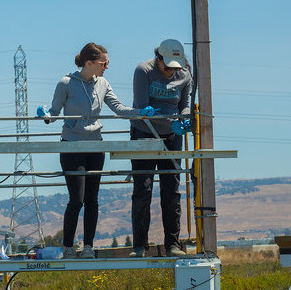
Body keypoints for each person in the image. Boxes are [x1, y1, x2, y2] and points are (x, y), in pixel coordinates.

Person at [38, 43, 149, 259]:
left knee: (92, 199)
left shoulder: (103, 83)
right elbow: (54, 112)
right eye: (104, 63)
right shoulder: (66, 83)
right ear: (89, 63)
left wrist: (139, 113)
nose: (107, 66)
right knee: (76, 199)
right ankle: (68, 247)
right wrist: (45, 114)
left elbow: (118, 108)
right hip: (72, 145)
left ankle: (88, 246)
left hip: (95, 146)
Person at [129, 39, 193, 257]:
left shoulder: (185, 74)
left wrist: (184, 120)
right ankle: (139, 246)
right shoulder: (143, 71)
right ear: (158, 59)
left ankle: (173, 245)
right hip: (144, 132)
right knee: (143, 189)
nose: (170, 72)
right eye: (167, 67)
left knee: (171, 191)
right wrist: (162, 117)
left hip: (172, 136)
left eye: (175, 67)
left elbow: (184, 104)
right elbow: (141, 107)